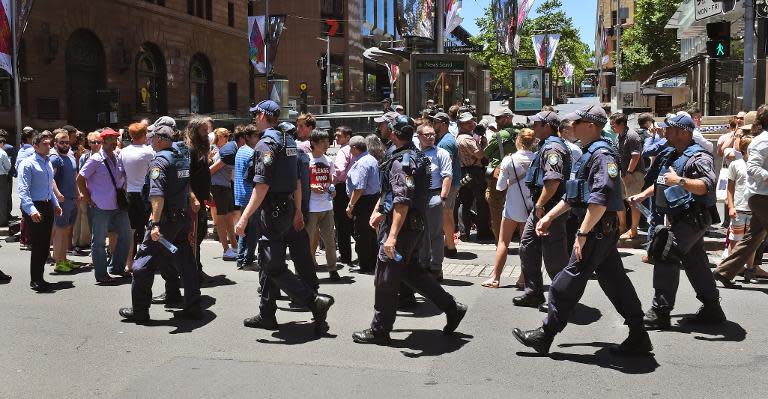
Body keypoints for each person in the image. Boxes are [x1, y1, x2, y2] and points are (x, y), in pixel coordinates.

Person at [513, 104, 652, 356]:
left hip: (597, 230)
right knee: (615, 282)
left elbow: (600, 199)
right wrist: (549, 217)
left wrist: (582, 234)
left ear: (590, 126)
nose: (570, 127)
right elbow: (574, 195)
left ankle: (546, 334)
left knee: (564, 282)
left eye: (576, 123)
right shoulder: (589, 153)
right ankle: (639, 333)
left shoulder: (602, 155)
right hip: (597, 229)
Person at [351, 115, 467, 345]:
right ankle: (451, 307)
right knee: (412, 273)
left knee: (385, 278)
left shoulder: (402, 161)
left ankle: (380, 330)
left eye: (386, 128)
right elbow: (391, 194)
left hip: (403, 227)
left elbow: (402, 201)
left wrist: (391, 236)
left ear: (394, 133)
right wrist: (379, 211)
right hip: (413, 225)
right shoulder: (413, 156)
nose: (383, 130)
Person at [235, 100, 334, 334]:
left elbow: (262, 186)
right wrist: (298, 210)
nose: (253, 120)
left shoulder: (266, 144)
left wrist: (244, 218)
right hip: (288, 207)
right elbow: (298, 181)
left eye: (255, 115)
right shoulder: (288, 141)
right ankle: (267, 313)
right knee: (270, 261)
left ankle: (313, 302)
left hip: (273, 211)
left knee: (272, 264)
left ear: (262, 115)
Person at [629, 114, 725, 330]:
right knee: (695, 260)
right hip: (680, 217)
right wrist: (643, 194)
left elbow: (706, 185)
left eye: (670, 130)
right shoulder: (673, 154)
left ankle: (660, 311)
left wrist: (680, 181)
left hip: (693, 217)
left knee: (666, 253)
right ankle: (712, 308)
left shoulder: (699, 157)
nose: (665, 133)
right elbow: (664, 181)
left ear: (684, 132)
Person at [119, 126, 201, 323]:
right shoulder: (180, 157)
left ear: (159, 139)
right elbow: (184, 185)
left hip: (165, 221)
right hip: (181, 219)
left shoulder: (160, 160)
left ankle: (140, 311)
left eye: (152, 137)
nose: (150, 141)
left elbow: (157, 194)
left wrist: (155, 223)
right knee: (186, 262)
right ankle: (193, 306)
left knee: (142, 264)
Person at [514, 110, 571, 312]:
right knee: (528, 246)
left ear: (547, 126)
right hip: (541, 205)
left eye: (536, 124)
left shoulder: (553, 148)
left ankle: (561, 299)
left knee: (554, 256)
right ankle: (533, 292)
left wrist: (540, 205)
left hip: (550, 207)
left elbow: (553, 181)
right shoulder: (546, 145)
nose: (533, 128)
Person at [714, 105, 768, 287]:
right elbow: (752, 167)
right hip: (762, 197)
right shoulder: (762, 141)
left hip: (761, 196)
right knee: (754, 237)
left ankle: (724, 271)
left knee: (753, 237)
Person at [482, 128, 536, 289]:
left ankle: (495, 278)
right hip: (530, 207)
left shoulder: (508, 160)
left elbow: (499, 187)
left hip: (512, 206)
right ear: (532, 142)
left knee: (503, 242)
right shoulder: (538, 159)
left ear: (518, 141)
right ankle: (522, 278)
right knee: (526, 244)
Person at [77, 128, 132, 284]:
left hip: (118, 205)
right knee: (99, 242)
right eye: (112, 140)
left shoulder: (117, 156)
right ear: (104, 141)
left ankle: (116, 267)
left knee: (126, 236)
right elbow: (80, 179)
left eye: (116, 140)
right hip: (101, 206)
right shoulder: (95, 159)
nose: (115, 143)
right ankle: (101, 274)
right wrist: (87, 198)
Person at [18, 131, 63, 292]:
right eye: (45, 144)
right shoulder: (28, 163)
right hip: (34, 207)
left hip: (47, 205)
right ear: (35, 146)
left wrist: (56, 204)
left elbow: (49, 186)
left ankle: (41, 277)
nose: (48, 146)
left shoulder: (47, 163)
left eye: (49, 143)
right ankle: (35, 279)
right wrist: (31, 210)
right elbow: (23, 190)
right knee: (38, 245)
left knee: (45, 244)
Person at [414, 124, 452, 280]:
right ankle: (423, 265)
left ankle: (436, 267)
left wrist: (442, 198)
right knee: (420, 233)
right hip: (417, 197)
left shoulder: (441, 153)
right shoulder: (414, 154)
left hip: (434, 196)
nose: (430, 137)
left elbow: (447, 176)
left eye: (432, 135)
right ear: (419, 136)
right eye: (426, 135)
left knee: (435, 234)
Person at [120, 122, 155, 273]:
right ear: (145, 134)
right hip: (146, 193)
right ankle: (149, 262)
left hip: (130, 193)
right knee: (150, 228)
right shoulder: (150, 152)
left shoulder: (123, 152)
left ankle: (129, 263)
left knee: (131, 231)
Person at [306, 129, 340, 280]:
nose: (327, 144)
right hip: (311, 207)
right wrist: (310, 187)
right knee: (307, 240)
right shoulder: (306, 160)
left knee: (330, 240)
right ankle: (306, 269)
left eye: (328, 141)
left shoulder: (329, 160)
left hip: (326, 206)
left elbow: (331, 182)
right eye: (323, 142)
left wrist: (332, 191)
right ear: (313, 143)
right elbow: (299, 183)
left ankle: (332, 269)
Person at [345, 135, 381, 273]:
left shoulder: (362, 163)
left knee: (362, 233)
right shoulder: (371, 159)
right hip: (372, 199)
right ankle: (372, 262)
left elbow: (359, 188)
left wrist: (350, 205)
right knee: (371, 232)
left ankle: (365, 264)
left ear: (354, 148)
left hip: (364, 202)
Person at [456, 111, 492, 241]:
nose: (470, 124)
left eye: (471, 121)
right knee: (481, 202)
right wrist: (484, 143)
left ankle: (464, 232)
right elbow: (481, 155)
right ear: (461, 124)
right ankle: (483, 231)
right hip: (475, 172)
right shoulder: (467, 139)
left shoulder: (459, 137)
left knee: (464, 202)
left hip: (464, 171)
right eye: (467, 122)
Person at [484, 107, 518, 241]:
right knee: (516, 204)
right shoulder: (520, 133)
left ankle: (500, 240)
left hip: (499, 175)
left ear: (508, 118)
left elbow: (485, 154)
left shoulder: (498, 136)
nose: (496, 121)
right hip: (517, 175)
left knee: (496, 208)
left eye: (499, 118)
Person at [185, 116, 213, 279]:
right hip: (193, 203)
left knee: (199, 234)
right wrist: (192, 197)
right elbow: (186, 177)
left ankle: (196, 269)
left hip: (201, 200)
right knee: (193, 237)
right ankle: (193, 271)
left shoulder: (201, 149)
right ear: (195, 131)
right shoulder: (190, 150)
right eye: (204, 130)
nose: (206, 133)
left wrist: (207, 191)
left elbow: (202, 173)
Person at [431, 112, 461, 257]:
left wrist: (443, 189)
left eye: (435, 123)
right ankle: (448, 243)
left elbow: (446, 167)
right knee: (447, 214)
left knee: (446, 214)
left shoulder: (445, 142)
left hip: (449, 184)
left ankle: (450, 247)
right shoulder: (444, 139)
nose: (433, 125)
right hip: (451, 183)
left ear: (443, 124)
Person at [50, 129, 80, 273]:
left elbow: (74, 178)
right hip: (61, 201)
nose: (65, 144)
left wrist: (79, 194)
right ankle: (59, 262)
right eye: (62, 142)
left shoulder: (71, 157)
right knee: (60, 231)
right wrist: (58, 194)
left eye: (67, 142)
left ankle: (64, 259)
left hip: (73, 199)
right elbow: (49, 180)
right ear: (55, 143)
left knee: (66, 231)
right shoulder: (54, 159)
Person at [613, 113, 646, 240]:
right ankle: (622, 227)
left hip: (633, 174)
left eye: (614, 124)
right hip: (623, 173)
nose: (611, 127)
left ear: (622, 124)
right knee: (620, 200)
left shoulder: (632, 136)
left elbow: (636, 156)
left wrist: (629, 173)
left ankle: (633, 230)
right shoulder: (619, 136)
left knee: (633, 202)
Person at [210, 127, 239, 261]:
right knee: (224, 218)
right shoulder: (222, 150)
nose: (215, 140)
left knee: (224, 219)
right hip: (221, 187)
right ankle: (229, 248)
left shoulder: (226, 151)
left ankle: (230, 248)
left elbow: (212, 170)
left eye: (218, 137)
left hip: (221, 187)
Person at [234, 124, 261, 269]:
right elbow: (253, 176)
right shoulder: (252, 152)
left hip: (241, 194)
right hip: (250, 194)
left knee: (243, 228)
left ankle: (241, 258)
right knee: (253, 230)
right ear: (248, 137)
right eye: (257, 136)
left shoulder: (240, 151)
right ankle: (248, 260)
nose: (259, 139)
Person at [332, 126, 354, 267]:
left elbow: (339, 170)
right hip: (353, 188)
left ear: (347, 137)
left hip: (341, 188)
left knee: (342, 223)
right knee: (351, 221)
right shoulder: (355, 149)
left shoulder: (343, 151)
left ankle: (345, 255)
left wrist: (330, 183)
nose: (336, 138)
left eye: (339, 136)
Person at [0, 131, 11, 228]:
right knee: (2, 198)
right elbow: (8, 166)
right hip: (2, 177)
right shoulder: (3, 153)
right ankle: (2, 220)